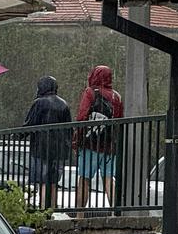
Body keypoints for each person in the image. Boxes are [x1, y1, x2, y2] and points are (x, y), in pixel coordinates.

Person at [73, 65, 123, 219]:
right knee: (108, 179)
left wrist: (77, 139)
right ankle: (115, 214)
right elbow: (119, 120)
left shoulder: (90, 92)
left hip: (90, 144)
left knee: (84, 179)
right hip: (109, 145)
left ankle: (80, 215)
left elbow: (82, 116)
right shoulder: (116, 96)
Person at [23, 75, 71, 209]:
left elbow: (30, 124)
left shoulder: (39, 102)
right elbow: (69, 128)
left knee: (43, 181)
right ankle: (52, 209)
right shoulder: (64, 104)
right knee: (53, 182)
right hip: (59, 150)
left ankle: (44, 209)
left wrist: (19, 135)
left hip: (41, 148)